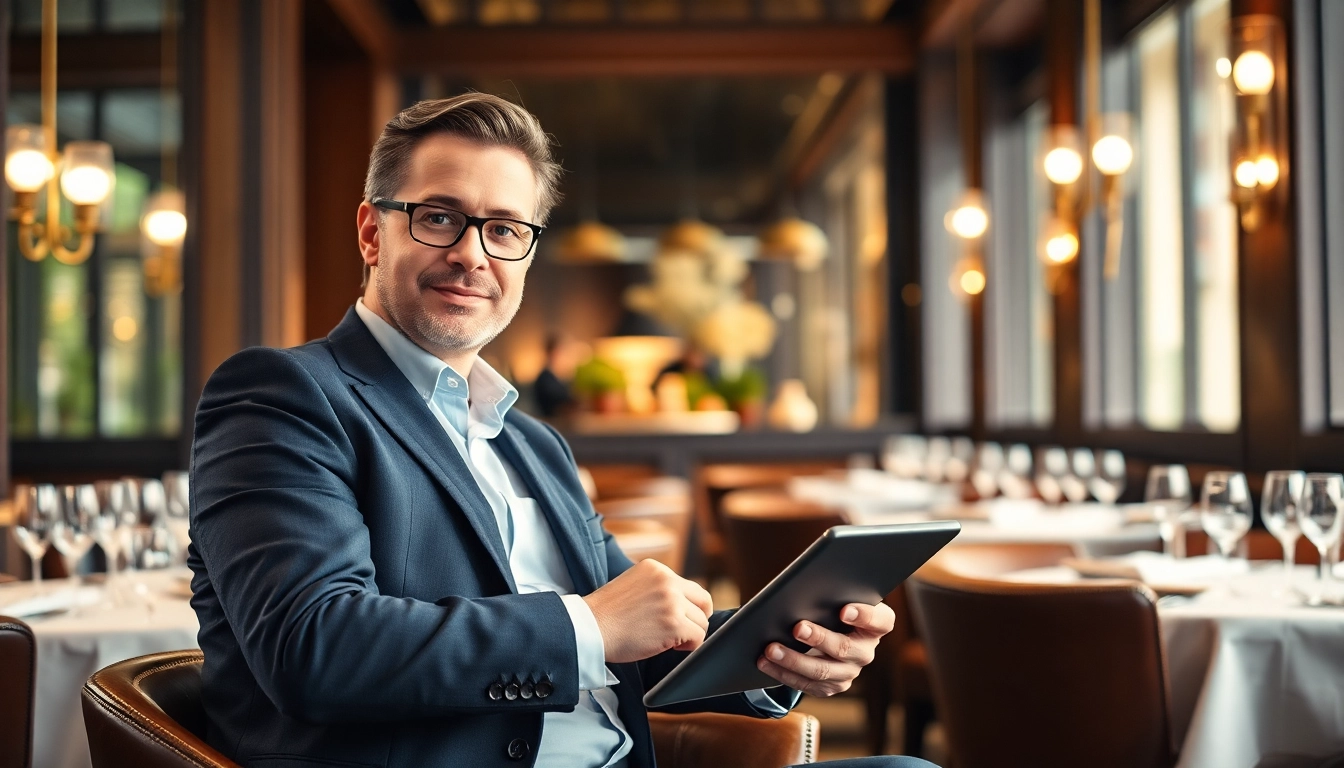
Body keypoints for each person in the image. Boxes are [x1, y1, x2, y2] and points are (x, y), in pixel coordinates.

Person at [188, 93, 937, 768]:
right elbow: (313, 648)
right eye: (440, 216)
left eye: (505, 229)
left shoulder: (534, 444)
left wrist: (781, 653)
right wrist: (585, 625)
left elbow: (640, 644)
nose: (472, 254)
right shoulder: (283, 395)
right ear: (372, 233)